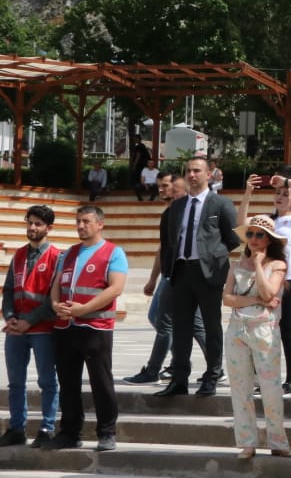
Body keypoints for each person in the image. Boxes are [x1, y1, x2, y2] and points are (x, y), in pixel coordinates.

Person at [47, 205, 128, 451]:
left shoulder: (113, 252)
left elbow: (115, 288)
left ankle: (106, 432)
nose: (81, 226)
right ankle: (70, 432)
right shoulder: (67, 253)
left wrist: (84, 309)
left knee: (101, 381)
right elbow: (56, 284)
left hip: (96, 326)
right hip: (66, 326)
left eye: (86, 221)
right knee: (68, 382)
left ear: (100, 224)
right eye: (78, 221)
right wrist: (54, 304)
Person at [157, 154, 239, 398]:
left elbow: (233, 239)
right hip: (181, 272)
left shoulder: (220, 204)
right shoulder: (178, 206)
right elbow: (169, 241)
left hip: (208, 274)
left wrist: (214, 255)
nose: (192, 175)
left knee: (211, 327)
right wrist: (167, 271)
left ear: (208, 174)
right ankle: (179, 379)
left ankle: (212, 376)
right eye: (188, 171)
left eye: (197, 171)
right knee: (180, 329)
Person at [125, 170, 207, 386]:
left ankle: (155, 369)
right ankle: (199, 365)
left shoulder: (186, 213)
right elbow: (163, 249)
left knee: (163, 322)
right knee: (192, 324)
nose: (161, 190)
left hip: (181, 275)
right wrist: (153, 278)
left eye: (165, 186)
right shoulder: (169, 214)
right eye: (159, 186)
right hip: (171, 274)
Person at [221, 214, 291, 459]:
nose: (253, 239)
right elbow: (227, 299)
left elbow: (269, 291)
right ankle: (247, 442)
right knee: (240, 387)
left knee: (271, 388)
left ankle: (277, 441)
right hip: (237, 329)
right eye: (250, 234)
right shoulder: (236, 266)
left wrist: (260, 265)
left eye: (259, 234)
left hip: (264, 330)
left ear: (269, 239)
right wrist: (253, 300)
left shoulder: (278, 265)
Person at [246, 171, 291, 395]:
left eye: (285, 194)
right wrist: (248, 193)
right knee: (285, 328)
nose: (280, 196)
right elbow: (242, 223)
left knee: (287, 330)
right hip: (272, 279)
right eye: (277, 193)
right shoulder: (269, 221)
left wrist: (286, 181)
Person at [2, 205, 61, 448]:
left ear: (49, 228)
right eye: (30, 223)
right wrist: (10, 316)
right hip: (16, 329)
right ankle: (17, 428)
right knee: (15, 382)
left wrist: (29, 320)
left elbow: (53, 299)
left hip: (42, 329)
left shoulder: (58, 256)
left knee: (47, 381)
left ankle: (47, 427)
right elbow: (7, 291)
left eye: (38, 224)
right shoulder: (18, 255)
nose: (32, 228)